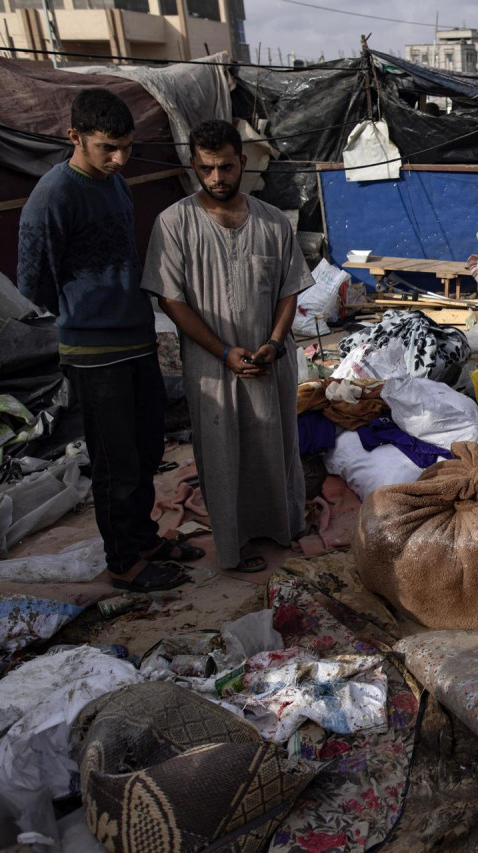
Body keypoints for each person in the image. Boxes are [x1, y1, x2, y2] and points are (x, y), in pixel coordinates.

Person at [17, 88, 196, 593]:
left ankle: (142, 539)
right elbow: (32, 280)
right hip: (93, 352)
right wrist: (84, 309)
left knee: (144, 450)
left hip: (136, 338)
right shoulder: (55, 194)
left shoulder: (116, 184)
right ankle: (124, 563)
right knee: (115, 460)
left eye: (126, 147)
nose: (119, 159)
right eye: (106, 148)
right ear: (74, 137)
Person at [141, 120, 312, 573]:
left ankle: (282, 529)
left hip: (268, 361)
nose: (217, 178)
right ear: (194, 166)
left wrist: (275, 342)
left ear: (243, 162)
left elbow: (289, 289)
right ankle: (234, 548)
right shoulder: (174, 223)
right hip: (211, 367)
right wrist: (221, 351)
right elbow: (170, 298)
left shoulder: (273, 222)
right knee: (221, 455)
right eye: (207, 168)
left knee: (276, 446)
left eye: (227, 167)